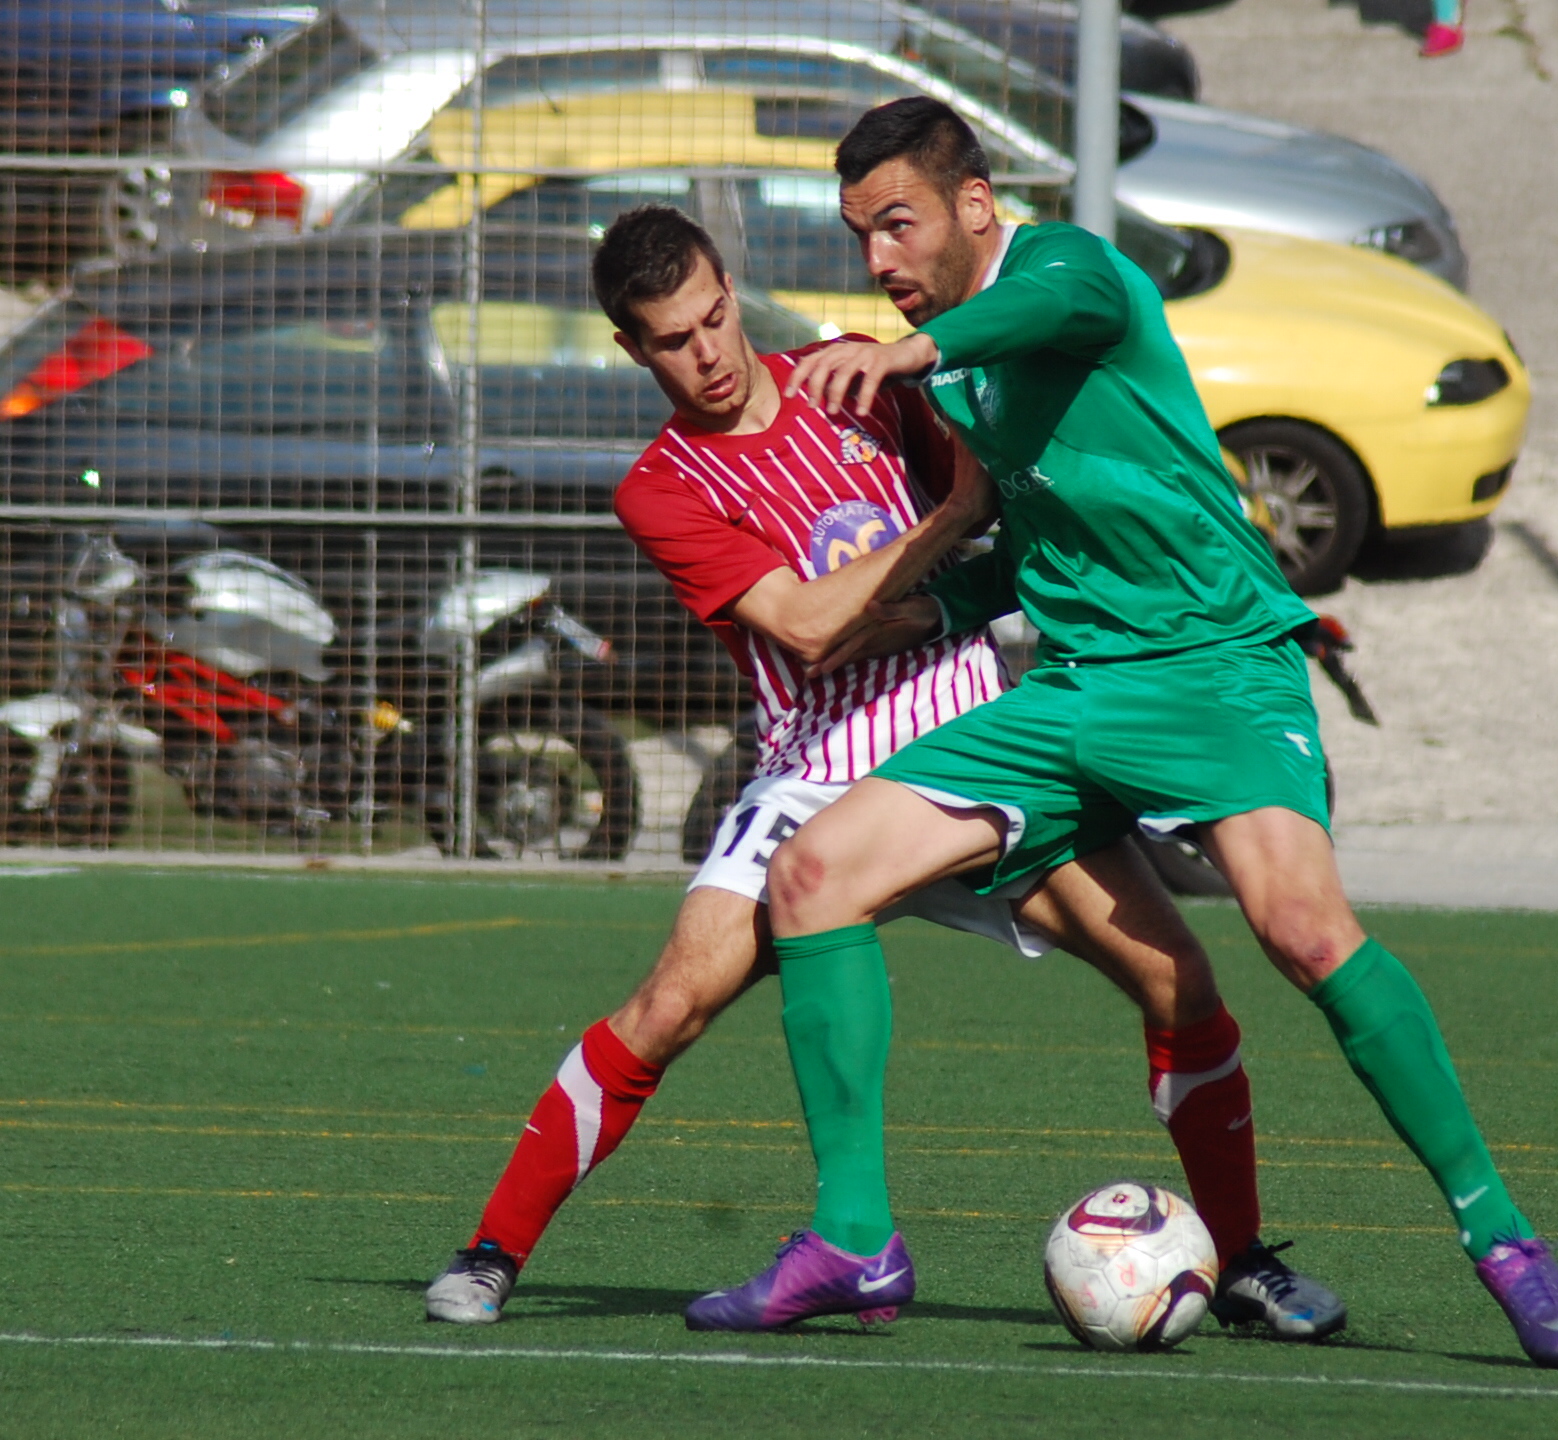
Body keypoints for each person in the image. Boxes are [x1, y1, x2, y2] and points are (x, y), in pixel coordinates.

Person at [692, 97, 1558, 1369]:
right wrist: (914, 611)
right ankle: (854, 1238)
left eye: (897, 226)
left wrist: (907, 357)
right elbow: (1037, 539)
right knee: (812, 876)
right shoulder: (958, 359)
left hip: (1222, 670)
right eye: (861, 238)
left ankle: (1500, 1235)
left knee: (1302, 930)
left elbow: (1047, 313)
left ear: (973, 205)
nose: (880, 263)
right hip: (1073, 691)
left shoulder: (1066, 271)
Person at [421, 204, 1346, 1342]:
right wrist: (951, 516)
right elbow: (809, 629)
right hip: (819, 771)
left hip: (976, 743)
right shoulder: (662, 485)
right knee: (667, 1004)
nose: (706, 352)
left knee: (1182, 984)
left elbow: (1007, 463)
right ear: (632, 349)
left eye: (714, 317)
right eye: (671, 339)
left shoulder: (854, 379)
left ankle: (1244, 1262)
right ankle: (492, 1252)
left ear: (732, 288)